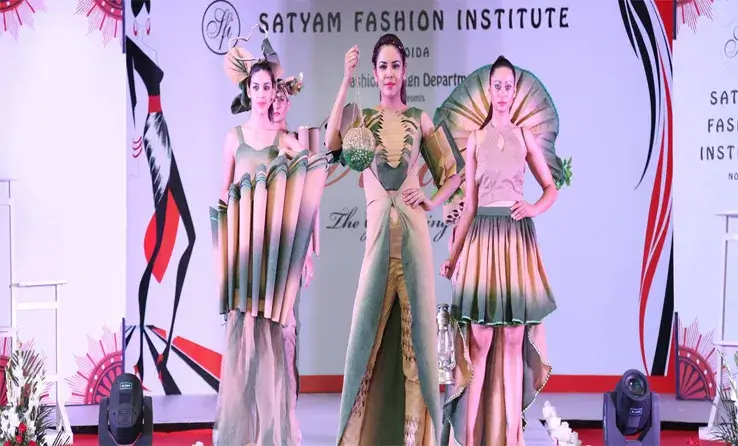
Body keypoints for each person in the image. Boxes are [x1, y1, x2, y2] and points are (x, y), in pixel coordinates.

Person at [325, 33, 463, 446]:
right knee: (365, 340)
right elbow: (332, 143)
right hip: (378, 245)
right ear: (374, 72)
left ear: (405, 71)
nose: (389, 73)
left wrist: (432, 199)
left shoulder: (420, 119)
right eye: (382, 66)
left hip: (415, 244)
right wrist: (345, 79)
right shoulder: (363, 121)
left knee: (416, 347)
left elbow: (452, 172)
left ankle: (416, 439)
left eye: (395, 66)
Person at [210, 26, 328, 446]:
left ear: (274, 92)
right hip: (244, 250)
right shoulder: (234, 138)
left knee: (276, 337)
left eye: (268, 88)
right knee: (242, 337)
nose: (262, 94)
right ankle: (239, 433)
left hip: (276, 253)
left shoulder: (285, 140)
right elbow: (223, 195)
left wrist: (306, 251)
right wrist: (224, 247)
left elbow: (308, 187)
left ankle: (275, 432)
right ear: (248, 90)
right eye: (256, 87)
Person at [439, 56, 559, 446]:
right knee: (479, 343)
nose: (503, 93)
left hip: (515, 241)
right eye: (498, 86)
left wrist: (533, 207)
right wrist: (454, 256)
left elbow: (550, 189)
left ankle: (513, 437)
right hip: (482, 241)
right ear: (489, 90)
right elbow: (470, 206)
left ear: (515, 91)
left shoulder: (525, 136)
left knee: (511, 342)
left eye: (509, 86)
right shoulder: (475, 139)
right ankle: (469, 437)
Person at [125, 0, 196, 389]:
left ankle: (163, 348)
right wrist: (137, 137)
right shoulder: (132, 49)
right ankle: (139, 356)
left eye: (147, 15)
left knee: (191, 237)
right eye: (140, 15)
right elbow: (135, 97)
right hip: (153, 133)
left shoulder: (147, 47)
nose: (144, 22)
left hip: (162, 129)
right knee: (159, 245)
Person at [272, 74, 316, 410]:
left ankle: (289, 410)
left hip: (290, 246)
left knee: (288, 328)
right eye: (272, 97)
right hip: (258, 247)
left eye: (282, 98)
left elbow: (308, 200)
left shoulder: (296, 144)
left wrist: (309, 251)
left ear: (289, 102)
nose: (276, 104)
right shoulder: (253, 140)